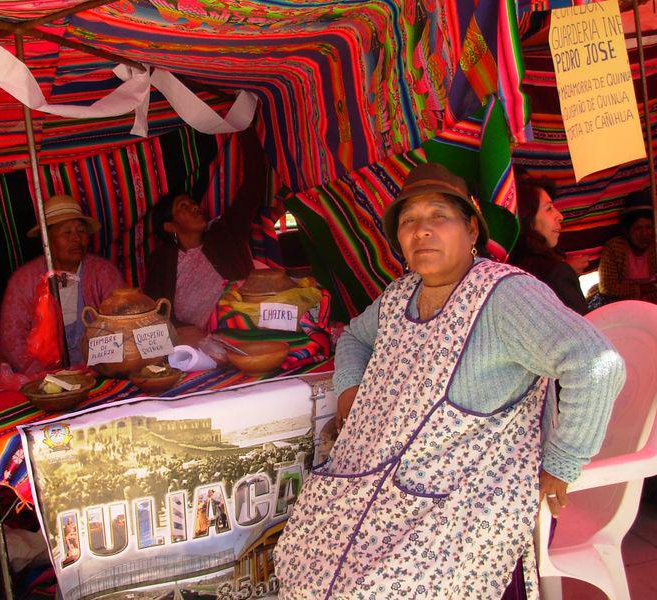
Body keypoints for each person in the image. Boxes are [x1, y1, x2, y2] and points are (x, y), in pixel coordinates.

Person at [274, 163, 625, 598]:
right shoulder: (402, 293)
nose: (422, 230)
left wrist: (562, 462)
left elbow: (597, 363)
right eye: (408, 221)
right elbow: (353, 340)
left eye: (439, 215)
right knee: (302, 556)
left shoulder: (505, 295)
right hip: (389, 490)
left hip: (463, 501)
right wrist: (350, 390)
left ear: (472, 229)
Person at [144, 127, 268, 331]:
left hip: (247, 327)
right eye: (183, 206)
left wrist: (244, 126)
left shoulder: (225, 232)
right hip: (194, 343)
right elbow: (156, 312)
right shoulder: (160, 260)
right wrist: (184, 332)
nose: (194, 206)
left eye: (193, 202)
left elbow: (253, 185)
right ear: (169, 225)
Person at [0, 194, 124, 374]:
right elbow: (12, 338)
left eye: (81, 231)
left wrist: (99, 368)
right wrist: (43, 375)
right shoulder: (23, 280)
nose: (76, 239)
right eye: (67, 232)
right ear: (47, 239)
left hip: (98, 373)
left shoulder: (104, 273)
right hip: (43, 378)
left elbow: (122, 323)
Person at [510, 179, 588, 314]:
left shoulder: (509, 268)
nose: (560, 216)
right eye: (549, 208)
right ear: (529, 220)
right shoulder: (557, 273)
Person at [595, 190, 657, 305]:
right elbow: (607, 288)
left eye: (649, 227)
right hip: (622, 305)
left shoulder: (655, 246)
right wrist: (643, 289)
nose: (645, 234)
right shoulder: (614, 248)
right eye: (638, 229)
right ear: (627, 231)